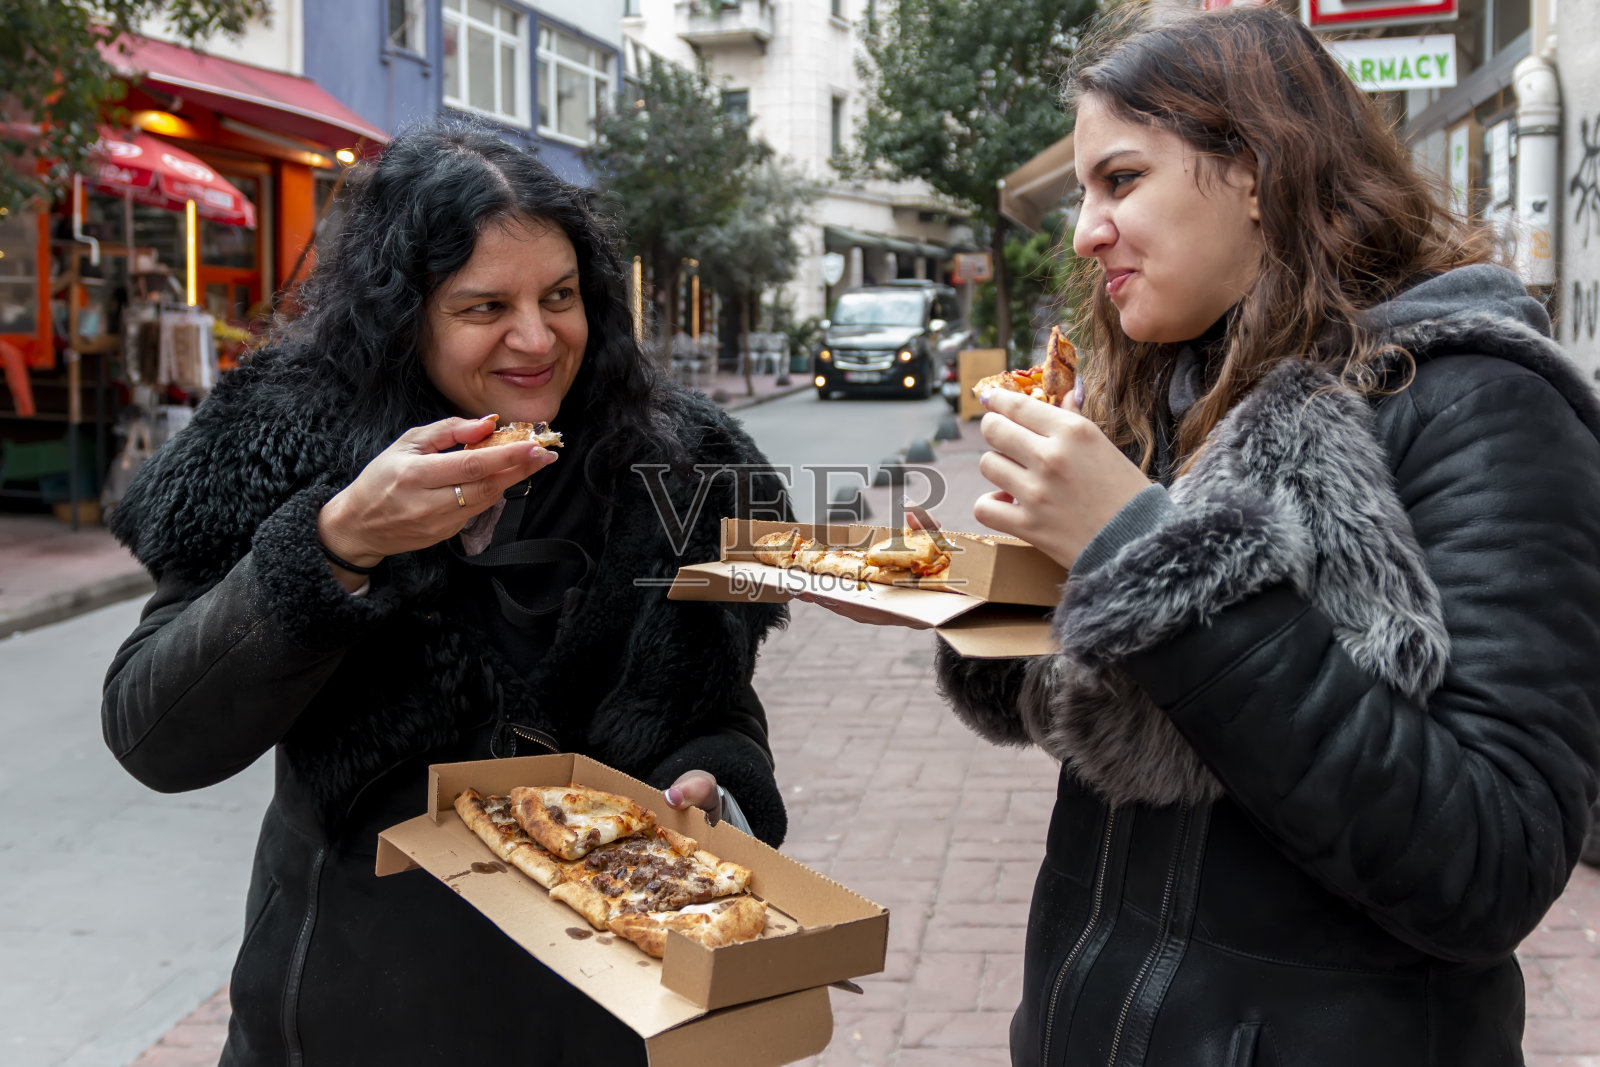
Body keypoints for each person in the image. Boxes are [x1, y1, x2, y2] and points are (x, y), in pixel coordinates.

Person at [930, 6, 1600, 1065]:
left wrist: (1140, 552)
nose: (1082, 230)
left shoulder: (1482, 404)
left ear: (1253, 170)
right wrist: (970, 586)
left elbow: (1489, 864)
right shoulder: (1160, 390)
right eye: (1082, 191)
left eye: (1120, 180)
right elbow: (1096, 718)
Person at [101, 120, 790, 1065]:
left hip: (603, 1011)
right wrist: (336, 544)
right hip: (356, 1006)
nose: (538, 338)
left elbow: (717, 708)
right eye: (483, 307)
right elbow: (155, 734)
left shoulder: (678, 462)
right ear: (403, 314)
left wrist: (724, 787)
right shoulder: (285, 441)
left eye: (560, 295)